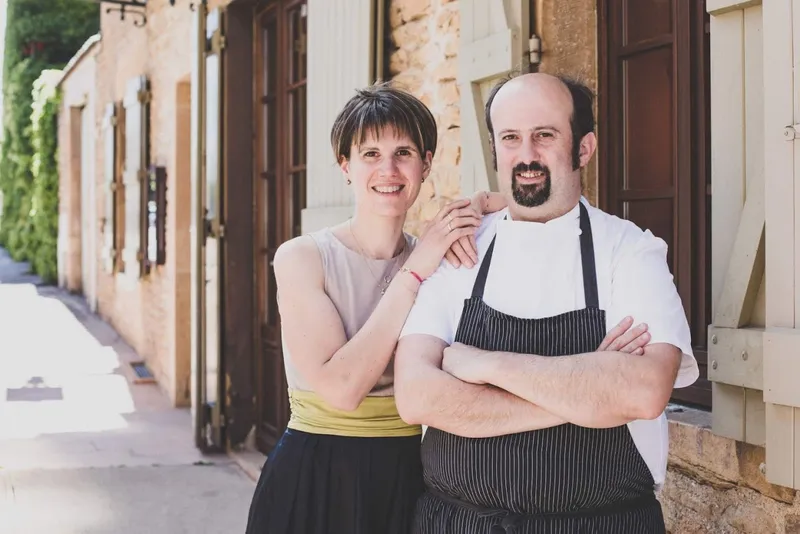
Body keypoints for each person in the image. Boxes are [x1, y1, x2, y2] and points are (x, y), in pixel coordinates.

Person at [394, 72, 700, 533]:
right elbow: (417, 396)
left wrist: (482, 364)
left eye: (545, 135)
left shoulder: (631, 251)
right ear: (495, 148)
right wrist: (588, 392)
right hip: (458, 524)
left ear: (584, 148)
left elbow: (643, 391)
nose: (527, 156)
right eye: (511, 138)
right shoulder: (460, 249)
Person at [243, 82, 512, 534]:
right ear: (345, 166)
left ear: (426, 165)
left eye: (404, 152)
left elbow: (545, 211)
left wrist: (482, 202)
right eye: (370, 154)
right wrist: (414, 273)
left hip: (409, 476)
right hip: (314, 476)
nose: (388, 169)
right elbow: (343, 389)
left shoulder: (439, 257)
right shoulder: (302, 257)